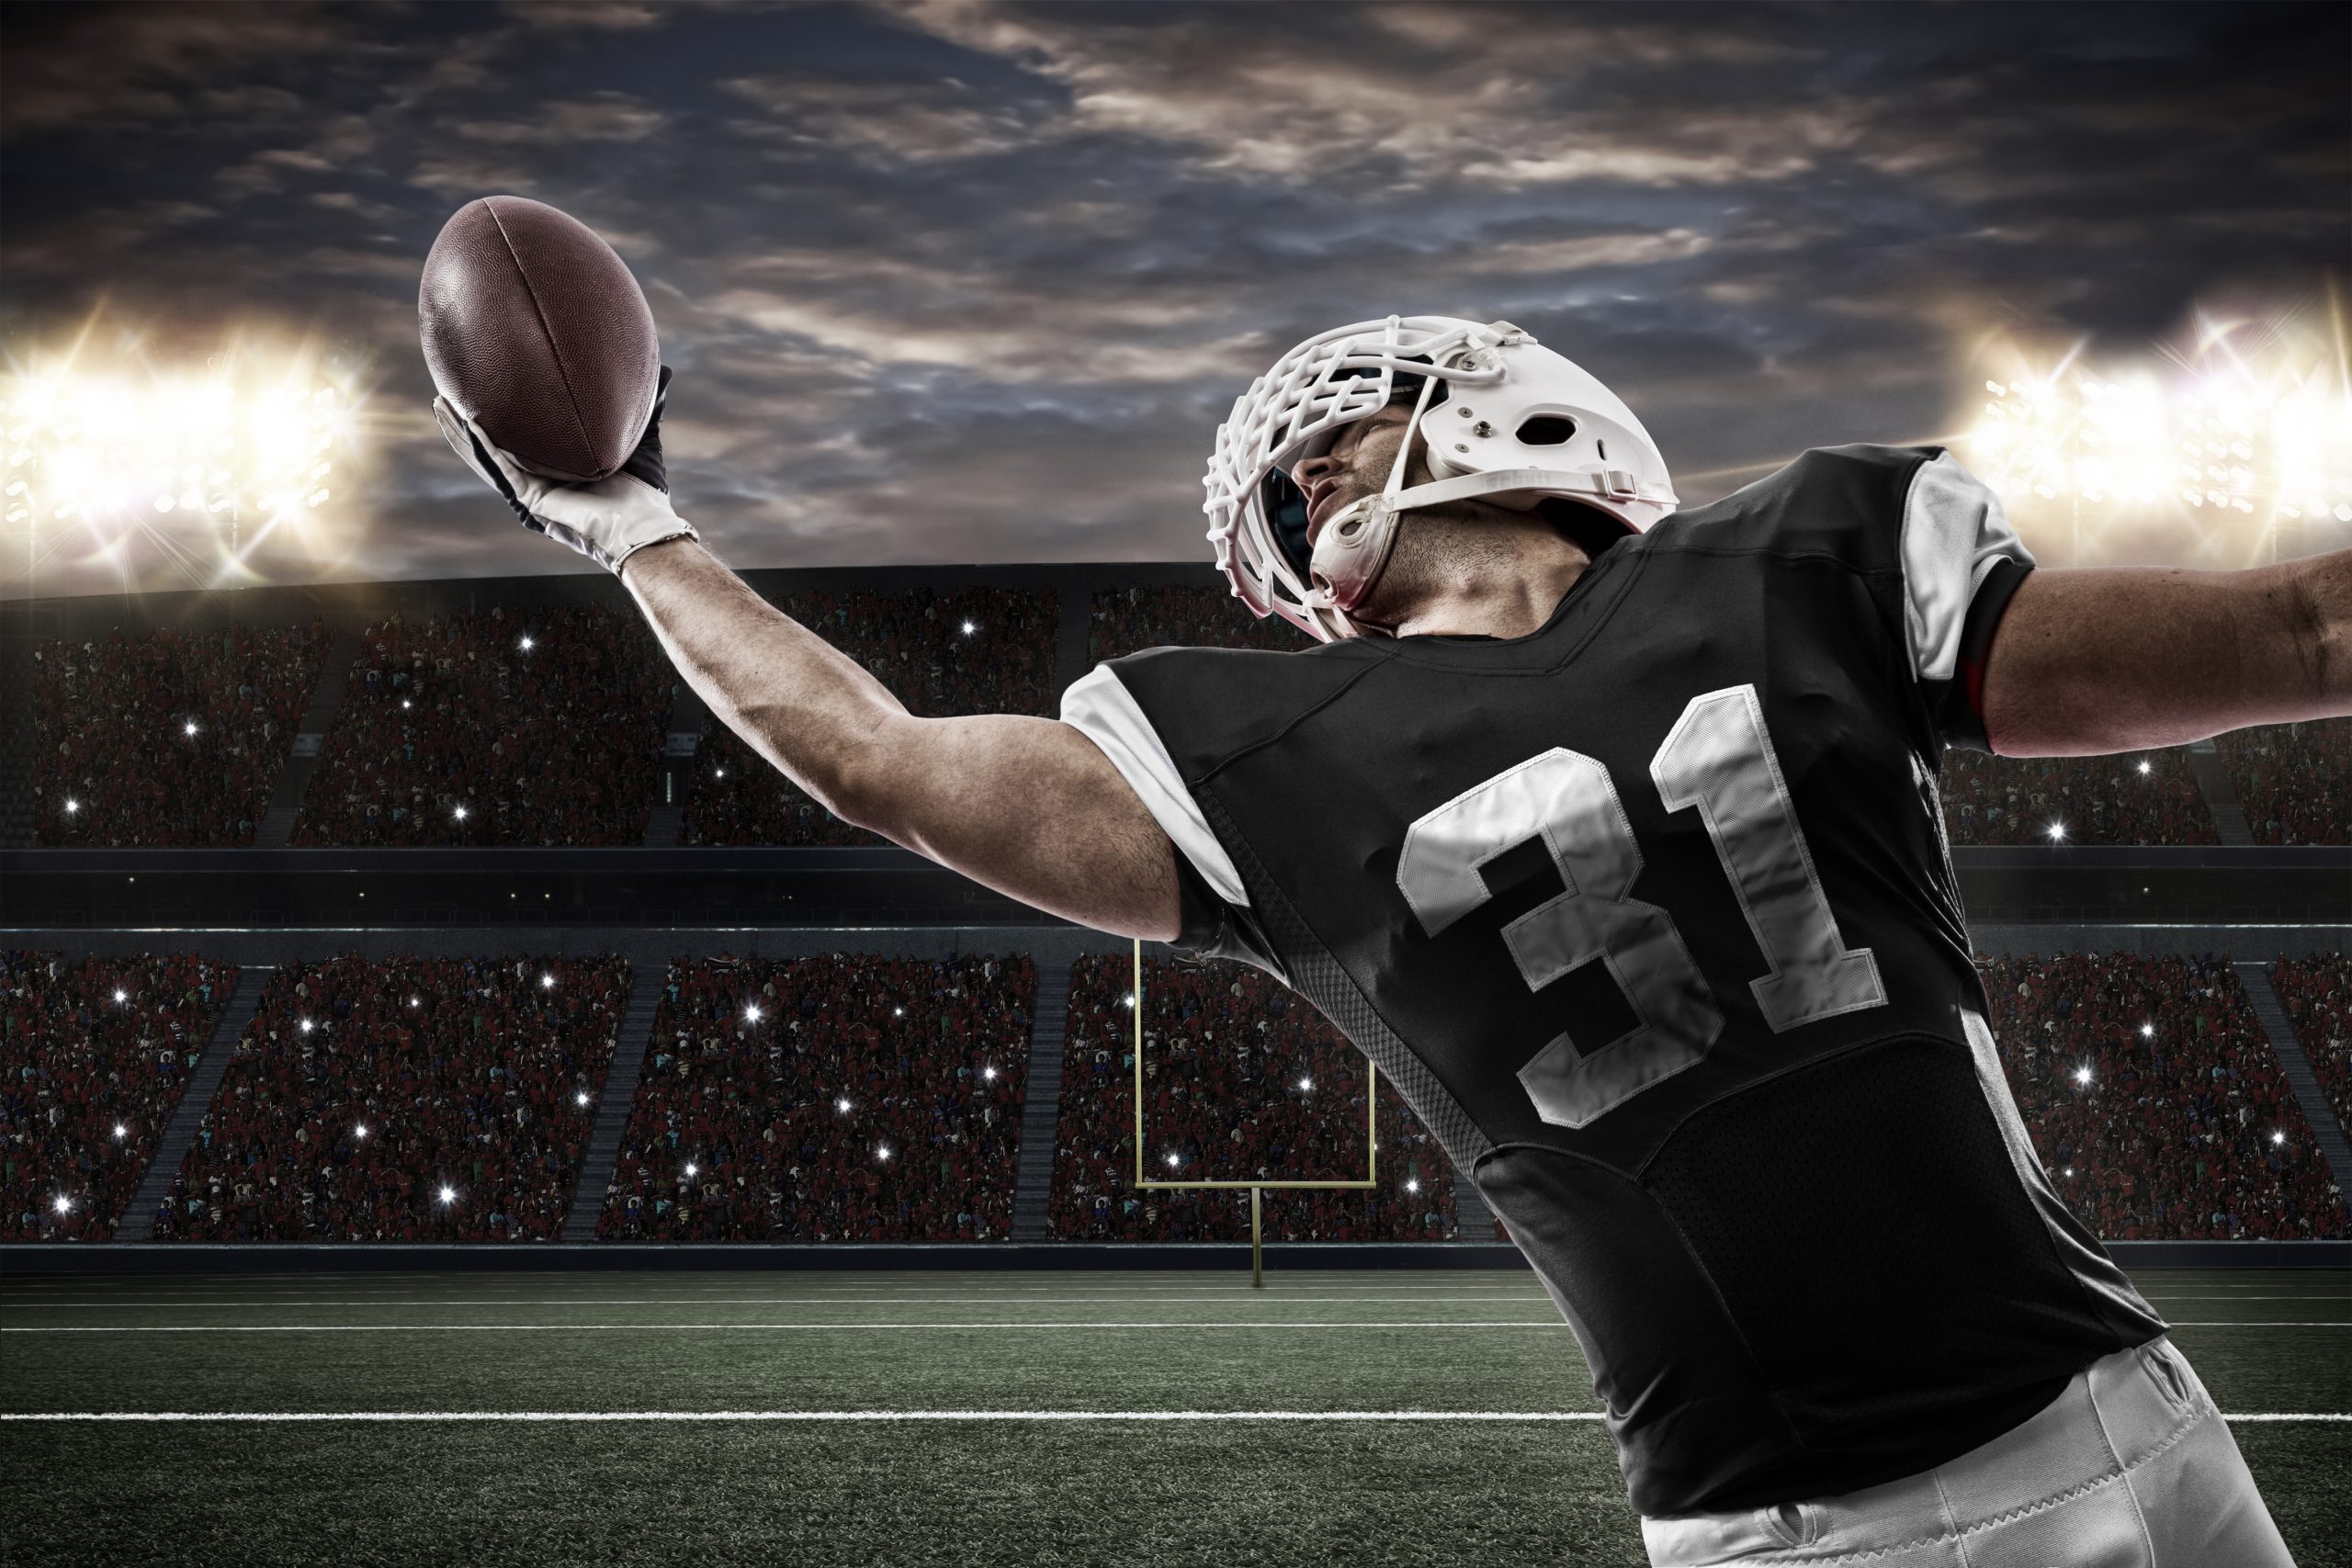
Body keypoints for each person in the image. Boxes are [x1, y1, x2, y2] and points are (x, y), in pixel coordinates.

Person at [435, 316, 2344, 1564]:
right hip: (1785, 1523)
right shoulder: (1252, 750)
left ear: (1505, 404)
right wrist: (628, 525)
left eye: (1333, 429)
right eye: (1285, 482)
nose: (1304, 474)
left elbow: (2298, 634)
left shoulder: (1810, 553)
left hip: (2111, 1416)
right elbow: (879, 759)